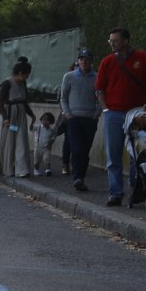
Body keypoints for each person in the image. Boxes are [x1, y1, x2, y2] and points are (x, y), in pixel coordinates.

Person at [95, 26, 146, 206]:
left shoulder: (142, 58)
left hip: (137, 113)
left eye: (115, 40)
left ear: (125, 41)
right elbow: (99, 89)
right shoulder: (107, 61)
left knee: (137, 152)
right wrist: (105, 110)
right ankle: (115, 193)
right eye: (110, 41)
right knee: (113, 154)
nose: (112, 44)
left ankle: (136, 187)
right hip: (114, 113)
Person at [59, 49, 100, 191]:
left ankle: (80, 178)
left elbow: (100, 97)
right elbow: (63, 97)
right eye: (81, 59)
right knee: (76, 148)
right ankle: (77, 177)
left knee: (85, 151)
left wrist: (96, 114)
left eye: (87, 59)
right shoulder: (69, 76)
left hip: (90, 119)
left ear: (91, 61)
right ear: (78, 61)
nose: (84, 62)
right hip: (74, 119)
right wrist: (67, 113)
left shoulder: (97, 77)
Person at [0, 57, 36, 178]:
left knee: (21, 140)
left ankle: (22, 170)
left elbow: (24, 102)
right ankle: (7, 169)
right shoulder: (7, 83)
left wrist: (31, 115)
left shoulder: (23, 84)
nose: (27, 77)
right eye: (27, 74)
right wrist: (5, 118)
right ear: (20, 73)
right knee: (8, 142)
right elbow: (0, 102)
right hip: (9, 117)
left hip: (20, 116)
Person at [34, 112, 58, 176]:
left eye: (47, 120)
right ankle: (36, 170)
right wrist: (32, 122)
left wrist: (50, 144)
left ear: (51, 122)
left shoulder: (51, 130)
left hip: (46, 147)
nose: (45, 122)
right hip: (38, 146)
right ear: (41, 120)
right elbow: (31, 128)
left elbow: (53, 137)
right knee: (37, 159)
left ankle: (48, 170)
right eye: (43, 119)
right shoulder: (38, 127)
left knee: (47, 158)